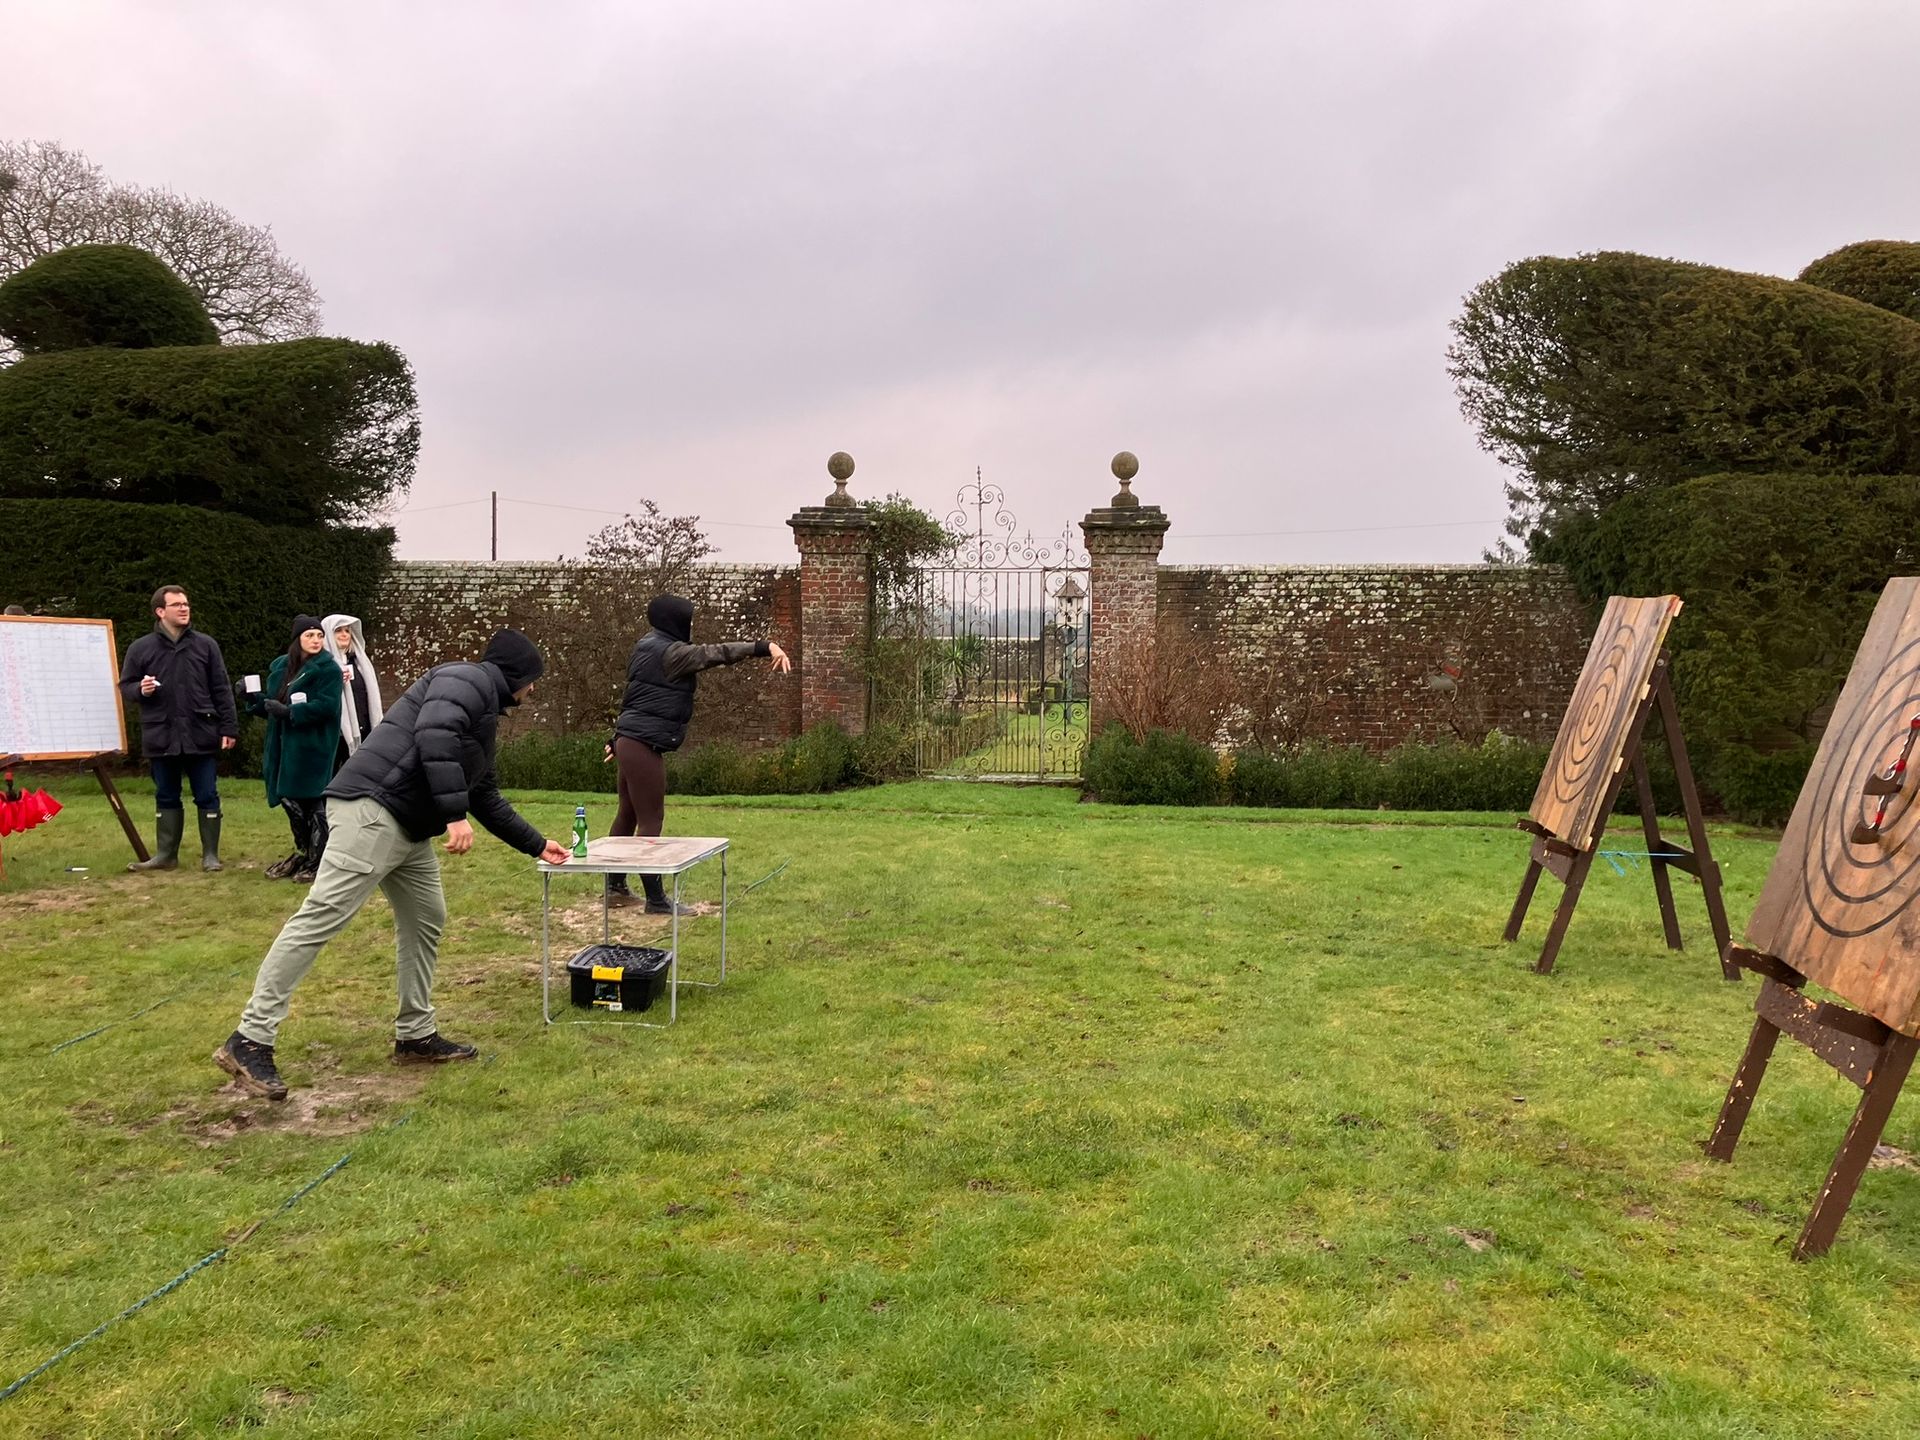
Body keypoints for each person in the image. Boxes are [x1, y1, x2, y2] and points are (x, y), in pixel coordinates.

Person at [214, 629, 572, 1101]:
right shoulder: (463, 680)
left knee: (427, 917)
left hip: (405, 825)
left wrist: (536, 843)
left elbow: (483, 792)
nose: (533, 691)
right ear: (516, 676)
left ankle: (415, 1035)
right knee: (320, 917)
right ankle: (250, 1038)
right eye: (533, 681)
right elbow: (434, 735)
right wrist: (452, 815)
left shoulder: (483, 712)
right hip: (372, 811)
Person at [604, 595, 790, 910]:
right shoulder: (673, 653)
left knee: (628, 813)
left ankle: (615, 888)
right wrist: (763, 646)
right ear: (675, 621)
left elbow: (634, 697)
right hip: (642, 745)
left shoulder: (644, 647)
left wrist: (617, 737)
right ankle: (656, 899)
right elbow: (715, 653)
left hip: (629, 742)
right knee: (651, 819)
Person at [118, 584, 238, 873]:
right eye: (177, 605)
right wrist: (141, 689)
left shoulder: (206, 645)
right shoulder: (141, 647)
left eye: (186, 603)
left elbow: (221, 688)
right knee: (166, 795)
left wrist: (229, 728)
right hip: (162, 734)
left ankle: (211, 856)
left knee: (207, 794)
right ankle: (166, 855)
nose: (184, 608)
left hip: (201, 732)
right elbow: (126, 686)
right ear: (160, 611)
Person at [246, 616, 344, 883]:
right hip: (282, 746)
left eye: (319, 636)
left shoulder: (328, 670)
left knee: (313, 801)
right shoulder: (282, 667)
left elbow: (328, 707)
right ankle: (304, 852)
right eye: (309, 636)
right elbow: (272, 706)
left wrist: (292, 712)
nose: (315, 640)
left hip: (312, 746)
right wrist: (253, 700)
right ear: (297, 638)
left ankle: (319, 858)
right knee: (290, 800)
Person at [322, 612, 384, 766]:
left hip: (363, 728)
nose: (344, 635)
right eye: (338, 631)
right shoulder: (322, 665)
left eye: (347, 631)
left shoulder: (360, 663)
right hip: (336, 734)